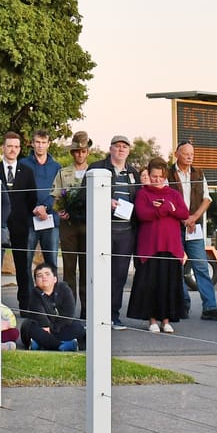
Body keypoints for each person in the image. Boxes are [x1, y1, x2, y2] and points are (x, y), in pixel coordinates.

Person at [125, 157, 188, 333]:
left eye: (160, 176)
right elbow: (143, 214)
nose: (157, 180)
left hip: (171, 246)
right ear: (149, 175)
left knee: (168, 283)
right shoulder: (143, 193)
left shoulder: (173, 193)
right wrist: (166, 209)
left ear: (165, 176)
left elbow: (184, 212)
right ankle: (152, 320)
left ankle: (166, 320)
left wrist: (165, 206)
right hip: (150, 246)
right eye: (154, 176)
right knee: (151, 284)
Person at [169, 141, 217, 321]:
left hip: (195, 227)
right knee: (176, 267)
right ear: (176, 154)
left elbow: (207, 199)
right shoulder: (168, 174)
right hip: (174, 226)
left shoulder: (199, 173)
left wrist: (193, 218)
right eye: (186, 153)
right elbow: (165, 198)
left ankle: (210, 307)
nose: (189, 157)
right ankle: (182, 305)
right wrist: (182, 218)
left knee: (201, 266)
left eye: (192, 154)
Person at [0, 133, 39, 311]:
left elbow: (32, 199)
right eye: (9, 146)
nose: (12, 150)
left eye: (16, 147)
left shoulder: (27, 172)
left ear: (20, 149)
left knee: (22, 267)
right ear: (3, 147)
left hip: (20, 225)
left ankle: (25, 305)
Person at [91, 137, 139, 325]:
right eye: (117, 146)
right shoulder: (97, 168)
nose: (120, 149)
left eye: (124, 147)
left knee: (119, 276)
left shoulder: (133, 173)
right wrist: (104, 201)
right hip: (103, 230)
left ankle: (113, 315)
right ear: (110, 148)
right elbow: (83, 195)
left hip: (125, 232)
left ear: (128, 151)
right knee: (99, 274)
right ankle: (96, 315)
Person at [53, 132, 93, 299]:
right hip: (68, 224)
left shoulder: (94, 171)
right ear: (72, 152)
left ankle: (86, 311)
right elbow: (56, 196)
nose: (80, 154)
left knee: (87, 267)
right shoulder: (64, 172)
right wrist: (60, 210)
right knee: (69, 267)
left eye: (83, 151)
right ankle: (68, 308)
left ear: (88, 152)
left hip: (88, 223)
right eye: (77, 151)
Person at [21, 262, 83, 351]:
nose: (43, 277)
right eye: (39, 275)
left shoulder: (64, 289)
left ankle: (41, 344)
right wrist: (46, 327)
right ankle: (62, 345)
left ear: (55, 279)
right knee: (27, 327)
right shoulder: (34, 293)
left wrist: (53, 329)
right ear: (36, 282)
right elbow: (40, 317)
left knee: (78, 327)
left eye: (47, 274)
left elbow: (68, 314)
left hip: (60, 327)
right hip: (42, 327)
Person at [27, 131, 62, 277]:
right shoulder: (23, 164)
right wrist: (35, 207)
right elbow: (22, 191)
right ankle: (28, 298)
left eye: (43, 142)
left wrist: (45, 207)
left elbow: (59, 191)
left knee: (51, 263)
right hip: (29, 220)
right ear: (33, 143)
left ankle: (53, 297)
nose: (40, 146)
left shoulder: (56, 166)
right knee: (25, 261)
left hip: (50, 220)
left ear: (48, 144)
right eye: (37, 142)